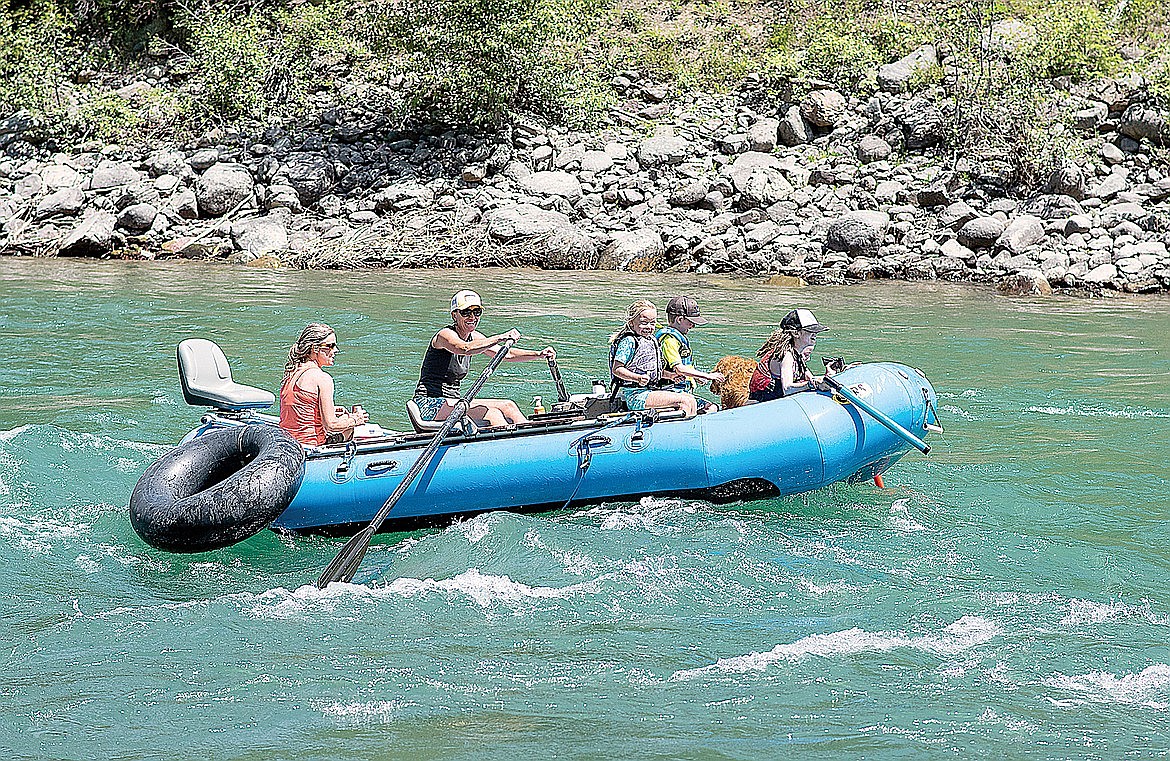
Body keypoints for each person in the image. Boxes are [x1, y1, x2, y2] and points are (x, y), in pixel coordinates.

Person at [413, 289, 556, 428]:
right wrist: (500, 337)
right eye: (466, 312)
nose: (472, 317)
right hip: (428, 404)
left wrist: (538, 354)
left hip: (453, 401)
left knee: (509, 406)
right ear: (454, 315)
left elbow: (506, 354)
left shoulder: (474, 337)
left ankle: (530, 440)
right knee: (492, 414)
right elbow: (465, 349)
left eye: (477, 312)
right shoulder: (444, 335)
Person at [279, 323, 369, 446]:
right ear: (315, 348)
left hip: (287, 443)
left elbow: (297, 408)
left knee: (342, 417)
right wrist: (356, 419)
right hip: (311, 446)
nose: (335, 350)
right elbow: (331, 425)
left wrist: (327, 410)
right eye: (330, 346)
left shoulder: (291, 373)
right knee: (348, 427)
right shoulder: (322, 378)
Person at [609, 299, 698, 417]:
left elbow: (653, 372)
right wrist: (637, 378)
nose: (649, 327)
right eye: (644, 322)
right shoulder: (629, 342)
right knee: (685, 401)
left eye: (652, 323)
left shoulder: (651, 340)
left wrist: (670, 376)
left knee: (690, 399)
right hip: (635, 395)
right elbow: (617, 369)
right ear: (631, 323)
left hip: (650, 391)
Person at [655, 295, 725, 414]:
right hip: (668, 392)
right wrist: (707, 376)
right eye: (691, 322)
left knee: (711, 407)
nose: (693, 326)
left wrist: (695, 377)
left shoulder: (677, 338)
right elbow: (679, 368)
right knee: (711, 408)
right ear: (679, 319)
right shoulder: (669, 340)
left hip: (679, 391)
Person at [748, 308, 834, 403]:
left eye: (815, 333)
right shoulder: (787, 355)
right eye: (810, 332)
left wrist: (827, 378)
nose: (814, 336)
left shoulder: (797, 353)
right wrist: (810, 384)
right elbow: (787, 388)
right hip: (762, 401)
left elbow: (811, 379)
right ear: (795, 333)